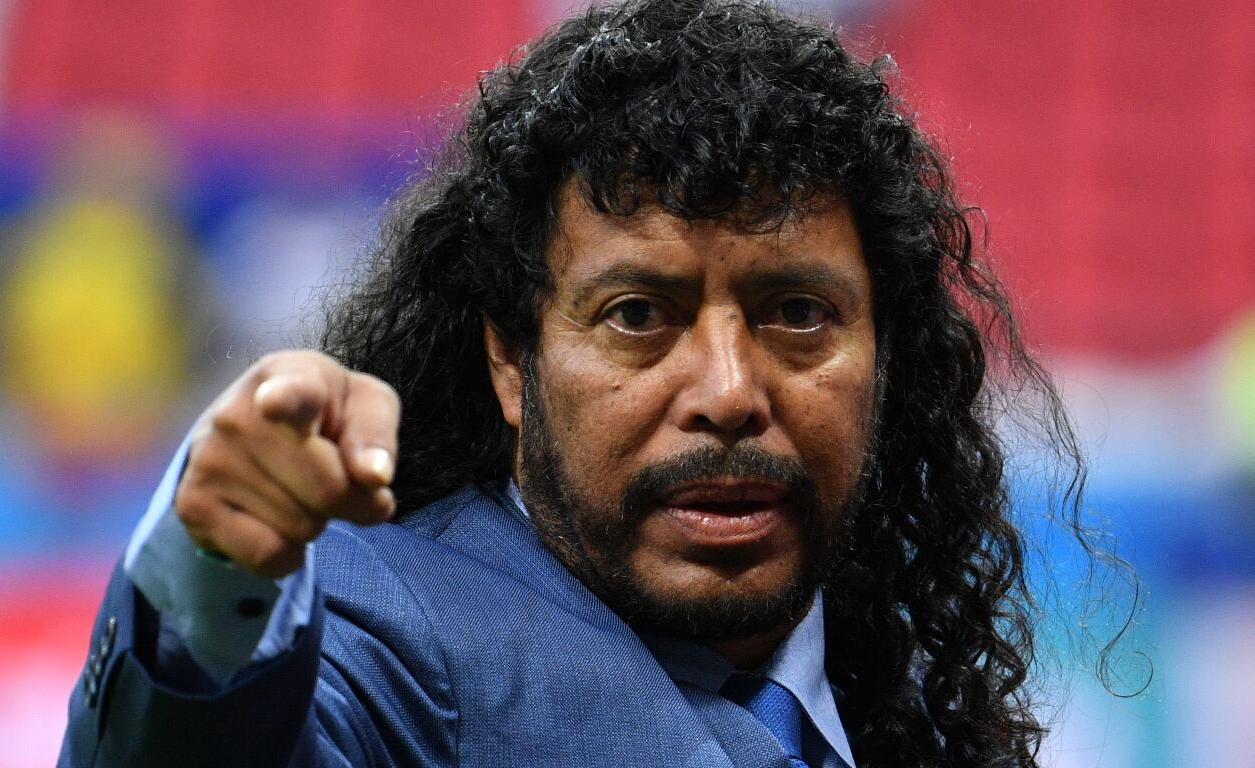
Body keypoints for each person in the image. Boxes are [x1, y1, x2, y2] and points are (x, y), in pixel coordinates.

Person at [59, 1, 1100, 765]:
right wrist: (211, 582)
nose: (729, 391)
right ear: (512, 360)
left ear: (883, 353)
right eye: (638, 316)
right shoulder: (386, 640)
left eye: (796, 313)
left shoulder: (904, 697)